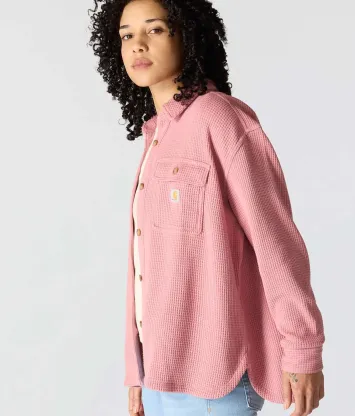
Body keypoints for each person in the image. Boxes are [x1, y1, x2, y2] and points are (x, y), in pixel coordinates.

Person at [87, 0, 326, 415]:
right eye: (127, 35)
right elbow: (146, 266)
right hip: (159, 377)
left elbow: (276, 243)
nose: (138, 44)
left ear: (187, 35)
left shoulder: (221, 119)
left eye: (155, 30)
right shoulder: (157, 134)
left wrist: (303, 349)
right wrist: (136, 373)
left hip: (217, 383)